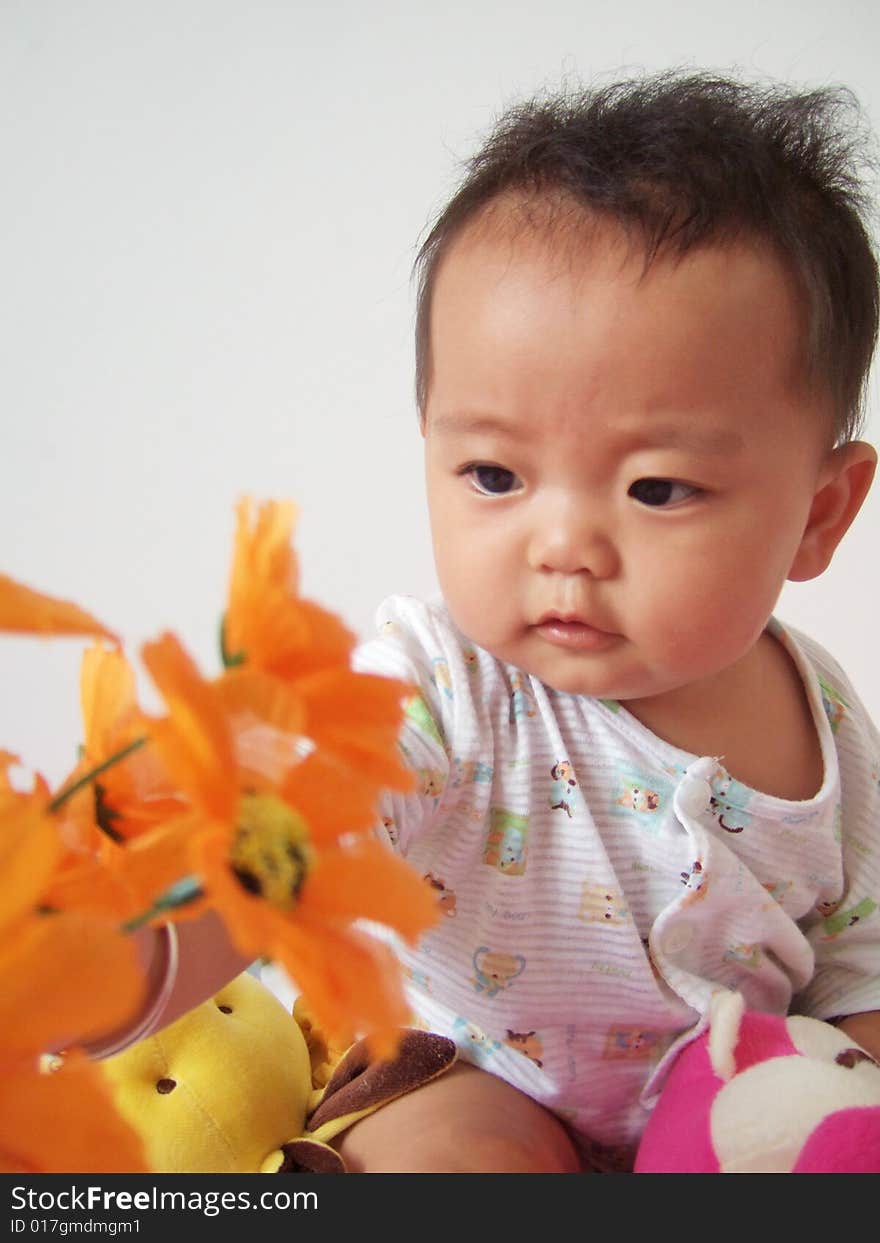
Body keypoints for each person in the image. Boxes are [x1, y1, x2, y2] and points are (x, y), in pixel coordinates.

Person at [109, 71, 880, 1173]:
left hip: (719, 1082)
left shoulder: (828, 721)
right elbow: (295, 835)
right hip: (470, 1066)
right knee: (460, 1163)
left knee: (807, 1127)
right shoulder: (435, 684)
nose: (559, 543)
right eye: (492, 473)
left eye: (656, 489)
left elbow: (858, 962)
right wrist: (132, 962)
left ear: (817, 514)